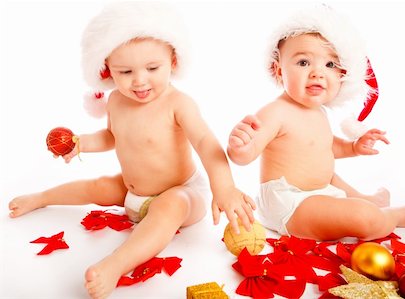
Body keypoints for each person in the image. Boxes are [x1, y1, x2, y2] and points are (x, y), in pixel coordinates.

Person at [8, 3, 255, 299]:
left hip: (183, 192)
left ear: (173, 61)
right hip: (132, 192)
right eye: (125, 71)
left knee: (170, 205)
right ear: (107, 70)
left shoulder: (179, 104)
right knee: (99, 185)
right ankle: (41, 198)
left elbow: (205, 143)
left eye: (152, 68)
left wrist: (224, 186)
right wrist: (82, 142)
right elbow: (112, 137)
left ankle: (116, 264)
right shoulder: (115, 101)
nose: (139, 80)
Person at [227, 5, 405, 241]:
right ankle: (391, 217)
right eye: (303, 62)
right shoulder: (276, 112)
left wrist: (353, 148)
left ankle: (365, 199)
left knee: (331, 175)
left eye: (330, 65)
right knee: (364, 217)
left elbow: (325, 147)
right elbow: (246, 155)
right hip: (290, 204)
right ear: (278, 70)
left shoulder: (318, 111)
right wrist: (240, 147)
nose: (317, 73)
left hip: (319, 193)